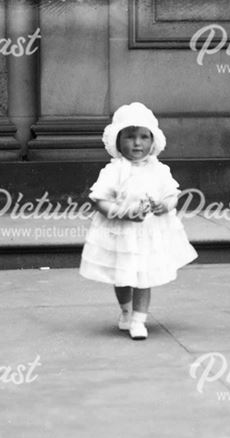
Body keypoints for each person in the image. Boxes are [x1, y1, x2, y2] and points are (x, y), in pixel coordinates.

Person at [80, 102, 198, 340]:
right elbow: (99, 200)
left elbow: (172, 195)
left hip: (148, 231)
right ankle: (125, 310)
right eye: (130, 137)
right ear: (118, 140)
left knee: (143, 275)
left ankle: (138, 319)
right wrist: (121, 212)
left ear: (153, 141)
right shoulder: (114, 170)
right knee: (122, 276)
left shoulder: (159, 170)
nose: (137, 143)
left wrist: (165, 206)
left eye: (144, 137)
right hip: (121, 232)